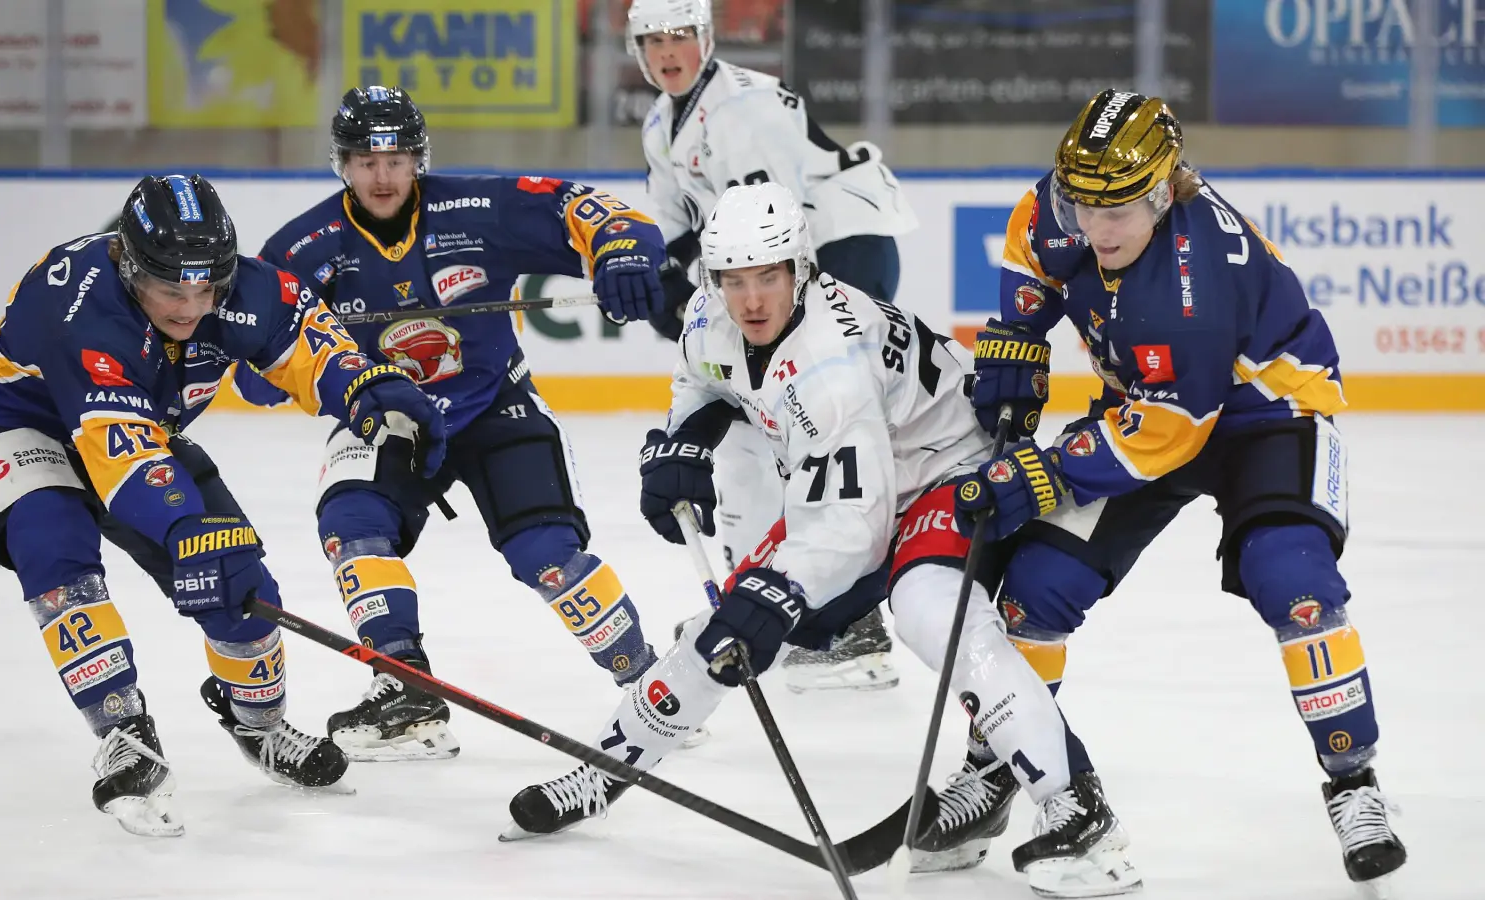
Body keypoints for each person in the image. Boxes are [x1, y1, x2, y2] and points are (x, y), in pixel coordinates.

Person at [501, 184, 1142, 898]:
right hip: (856, 473)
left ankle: (1077, 807)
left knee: (932, 611)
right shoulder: (711, 315)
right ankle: (605, 769)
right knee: (721, 635)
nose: (750, 300)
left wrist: (776, 593)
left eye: (767, 277)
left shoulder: (828, 364)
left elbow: (855, 524)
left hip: (946, 467)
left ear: (799, 270)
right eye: (734, 280)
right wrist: (684, 441)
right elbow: (704, 379)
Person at [944, 90, 1406, 891]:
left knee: (1293, 582)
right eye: (1084, 204)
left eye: (1120, 209)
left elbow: (1172, 431)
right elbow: (1033, 245)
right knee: (1033, 594)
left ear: (1165, 190)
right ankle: (1000, 766)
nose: (1097, 228)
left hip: (1269, 414)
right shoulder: (1059, 208)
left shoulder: (1189, 285)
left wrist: (1042, 472)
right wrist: (1019, 331)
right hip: (1150, 405)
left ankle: (1354, 783)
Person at [0, 174, 449, 836]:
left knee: (241, 584)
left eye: (206, 287)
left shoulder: (239, 289)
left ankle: (258, 725)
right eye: (170, 289)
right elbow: (119, 455)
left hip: (136, 431)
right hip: (14, 422)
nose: (190, 306)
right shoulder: (82, 310)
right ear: (127, 264)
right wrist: (184, 526)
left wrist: (365, 387)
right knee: (56, 551)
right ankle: (123, 731)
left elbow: (308, 340)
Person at [253, 86, 672, 761]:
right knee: (353, 526)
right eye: (365, 160)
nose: (382, 176)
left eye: (397, 159)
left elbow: (584, 207)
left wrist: (621, 250)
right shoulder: (303, 246)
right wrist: (261, 365)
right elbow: (253, 337)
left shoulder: (477, 208)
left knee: (547, 557)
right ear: (341, 164)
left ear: (421, 159)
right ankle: (405, 686)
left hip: (494, 405)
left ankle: (652, 682)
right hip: (385, 415)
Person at [625, 0, 919, 693]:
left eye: (680, 36)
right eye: (654, 40)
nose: (668, 51)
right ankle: (783, 602)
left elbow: (770, 225)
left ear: (706, 38)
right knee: (755, 432)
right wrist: (653, 282)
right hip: (782, 262)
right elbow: (673, 232)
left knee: (796, 426)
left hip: (842, 246)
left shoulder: (745, 108)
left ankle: (834, 620)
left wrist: (694, 290)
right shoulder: (660, 123)